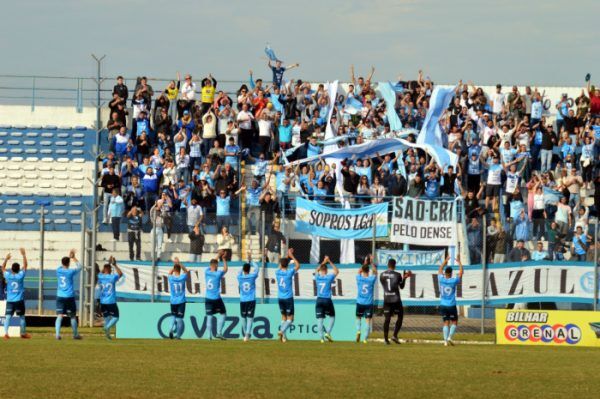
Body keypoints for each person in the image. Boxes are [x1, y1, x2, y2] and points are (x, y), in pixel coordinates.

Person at [379, 258, 412, 345]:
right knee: (400, 316)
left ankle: (386, 340)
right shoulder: (397, 275)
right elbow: (401, 287)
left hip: (386, 299)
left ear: (388, 265)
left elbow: (385, 285)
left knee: (387, 319)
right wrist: (404, 278)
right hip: (396, 299)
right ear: (394, 265)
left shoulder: (381, 275)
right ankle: (394, 335)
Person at [2, 248, 30, 339]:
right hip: (19, 300)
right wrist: (24, 255)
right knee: (21, 317)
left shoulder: (8, 275)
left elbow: (2, 268)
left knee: (8, 317)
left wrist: (6, 259)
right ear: (19, 269)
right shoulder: (20, 275)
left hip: (10, 300)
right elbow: (25, 265)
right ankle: (23, 333)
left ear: (12, 269)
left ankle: (6, 333)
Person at [55, 249, 82, 340]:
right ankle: (75, 334)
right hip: (69, 296)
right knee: (72, 316)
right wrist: (73, 257)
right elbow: (80, 266)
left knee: (59, 315)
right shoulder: (70, 272)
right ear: (69, 263)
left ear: (62, 263)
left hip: (60, 296)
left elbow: (62, 265)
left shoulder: (58, 270)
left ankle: (57, 334)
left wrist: (67, 259)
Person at [437, 255, 464, 346]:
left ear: (445, 273)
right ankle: (449, 337)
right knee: (454, 322)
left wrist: (445, 261)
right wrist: (459, 262)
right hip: (451, 305)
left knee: (445, 322)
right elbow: (461, 272)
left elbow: (440, 269)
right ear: (452, 273)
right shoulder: (454, 280)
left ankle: (445, 341)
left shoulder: (441, 279)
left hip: (443, 305)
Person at [276, 248, 300, 342]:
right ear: (287, 264)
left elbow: (280, 266)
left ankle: (284, 337)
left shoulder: (277, 272)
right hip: (288, 298)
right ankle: (281, 331)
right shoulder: (289, 272)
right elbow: (298, 265)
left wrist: (286, 257)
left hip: (280, 298)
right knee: (290, 319)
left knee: (283, 317)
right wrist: (291, 256)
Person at [314, 255, 339, 343]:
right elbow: (336, 271)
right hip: (327, 300)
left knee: (320, 319)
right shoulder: (329, 277)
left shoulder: (317, 277)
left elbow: (316, 270)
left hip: (319, 300)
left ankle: (321, 338)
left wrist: (323, 262)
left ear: (321, 270)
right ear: (327, 270)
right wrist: (329, 261)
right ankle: (328, 332)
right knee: (332, 316)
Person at [97, 256, 123, 340]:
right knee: (116, 317)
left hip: (102, 301)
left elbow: (101, 272)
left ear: (104, 270)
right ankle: (106, 328)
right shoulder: (112, 277)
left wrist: (107, 264)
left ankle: (107, 337)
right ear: (110, 270)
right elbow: (120, 274)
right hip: (111, 301)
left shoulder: (100, 277)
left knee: (107, 318)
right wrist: (114, 265)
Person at [205, 251, 229, 340]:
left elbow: (212, 263)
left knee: (209, 317)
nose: (218, 266)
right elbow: (226, 269)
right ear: (215, 265)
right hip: (216, 298)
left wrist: (218, 255)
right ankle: (219, 333)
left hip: (208, 298)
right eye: (217, 265)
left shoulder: (206, 271)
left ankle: (209, 336)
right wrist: (223, 259)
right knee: (223, 314)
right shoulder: (218, 273)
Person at [237, 252, 259, 342]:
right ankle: (247, 334)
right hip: (251, 299)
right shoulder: (252, 276)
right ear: (249, 270)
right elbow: (257, 268)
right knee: (250, 318)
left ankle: (246, 334)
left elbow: (239, 271)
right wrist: (251, 261)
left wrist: (246, 263)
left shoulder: (239, 277)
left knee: (243, 317)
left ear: (243, 269)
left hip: (243, 300)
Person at [355, 255, 377, 344]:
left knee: (358, 317)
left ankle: (358, 331)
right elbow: (375, 272)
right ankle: (365, 339)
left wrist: (365, 263)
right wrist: (371, 262)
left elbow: (359, 271)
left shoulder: (359, 278)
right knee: (368, 320)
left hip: (360, 302)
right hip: (368, 303)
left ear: (362, 271)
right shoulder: (371, 279)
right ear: (368, 271)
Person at [167, 258, 188, 339]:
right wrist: (179, 263)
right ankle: (178, 336)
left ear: (174, 270)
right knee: (179, 319)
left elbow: (169, 272)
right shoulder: (182, 277)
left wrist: (174, 264)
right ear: (179, 270)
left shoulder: (171, 278)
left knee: (173, 316)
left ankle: (170, 329)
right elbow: (186, 271)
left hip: (173, 301)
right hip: (181, 301)